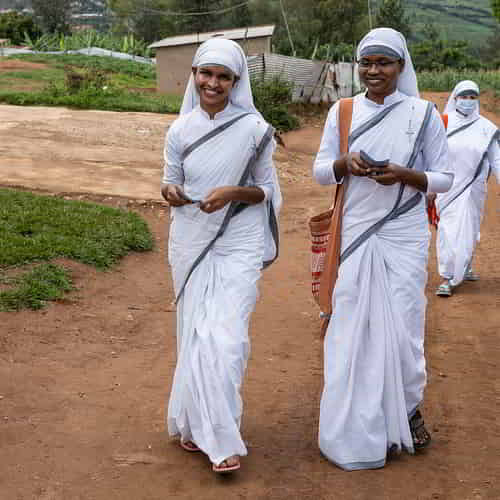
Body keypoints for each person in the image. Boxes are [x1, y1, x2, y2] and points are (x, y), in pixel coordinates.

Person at [313, 28, 453, 470]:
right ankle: (352, 427)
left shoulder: (423, 113)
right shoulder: (344, 109)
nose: (374, 70)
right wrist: (343, 163)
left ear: (401, 66)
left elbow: (444, 177)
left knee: (405, 330)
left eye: (384, 62)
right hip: (355, 232)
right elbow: (320, 171)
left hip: (404, 235)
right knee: (350, 327)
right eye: (367, 63)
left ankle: (406, 411)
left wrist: (404, 175)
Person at [161, 38, 281, 474]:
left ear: (236, 81)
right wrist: (171, 193)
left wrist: (234, 193)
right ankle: (197, 425)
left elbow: (269, 191)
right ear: (194, 75)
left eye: (223, 76)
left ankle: (221, 435)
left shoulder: (253, 129)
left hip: (239, 240)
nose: (213, 83)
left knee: (227, 340)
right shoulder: (179, 130)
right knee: (194, 334)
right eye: (205, 73)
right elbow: (168, 181)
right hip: (191, 240)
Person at [434, 80, 500, 297]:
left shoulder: (486, 129)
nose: (468, 101)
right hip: (447, 189)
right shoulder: (442, 123)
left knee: (468, 231)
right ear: (455, 98)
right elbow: (432, 155)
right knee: (448, 231)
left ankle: (464, 265)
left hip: (473, 189)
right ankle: (448, 277)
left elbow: (496, 160)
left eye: (473, 97)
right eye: (464, 97)